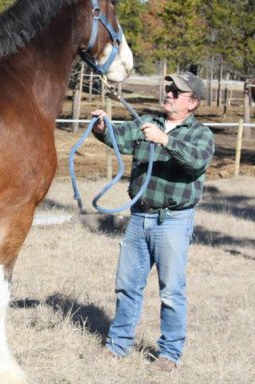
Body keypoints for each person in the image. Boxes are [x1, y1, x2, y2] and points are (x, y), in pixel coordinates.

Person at [91, 72, 215, 372]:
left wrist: (166, 140)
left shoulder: (201, 135)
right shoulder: (148, 121)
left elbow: (196, 162)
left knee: (171, 291)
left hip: (173, 221)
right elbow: (119, 139)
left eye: (177, 92)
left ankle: (169, 354)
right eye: (169, 88)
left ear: (193, 103)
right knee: (126, 286)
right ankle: (118, 345)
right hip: (139, 217)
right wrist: (102, 127)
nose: (169, 94)